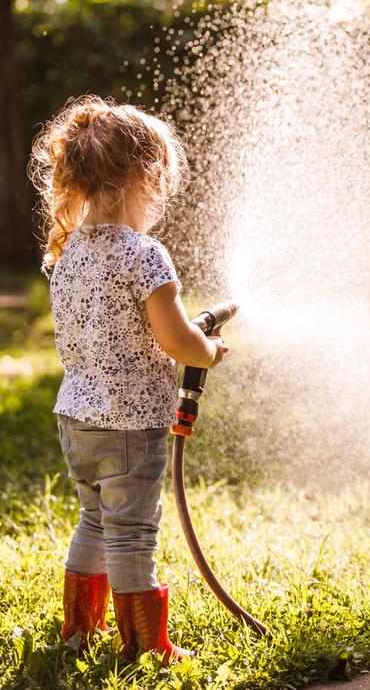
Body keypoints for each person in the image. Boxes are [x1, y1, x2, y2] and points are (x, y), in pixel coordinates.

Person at [29, 96, 228, 662]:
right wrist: (207, 350)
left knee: (95, 517)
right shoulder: (144, 255)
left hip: (77, 419)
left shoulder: (66, 255)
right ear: (144, 177)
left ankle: (78, 629)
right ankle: (143, 642)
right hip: (130, 424)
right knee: (133, 531)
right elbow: (177, 342)